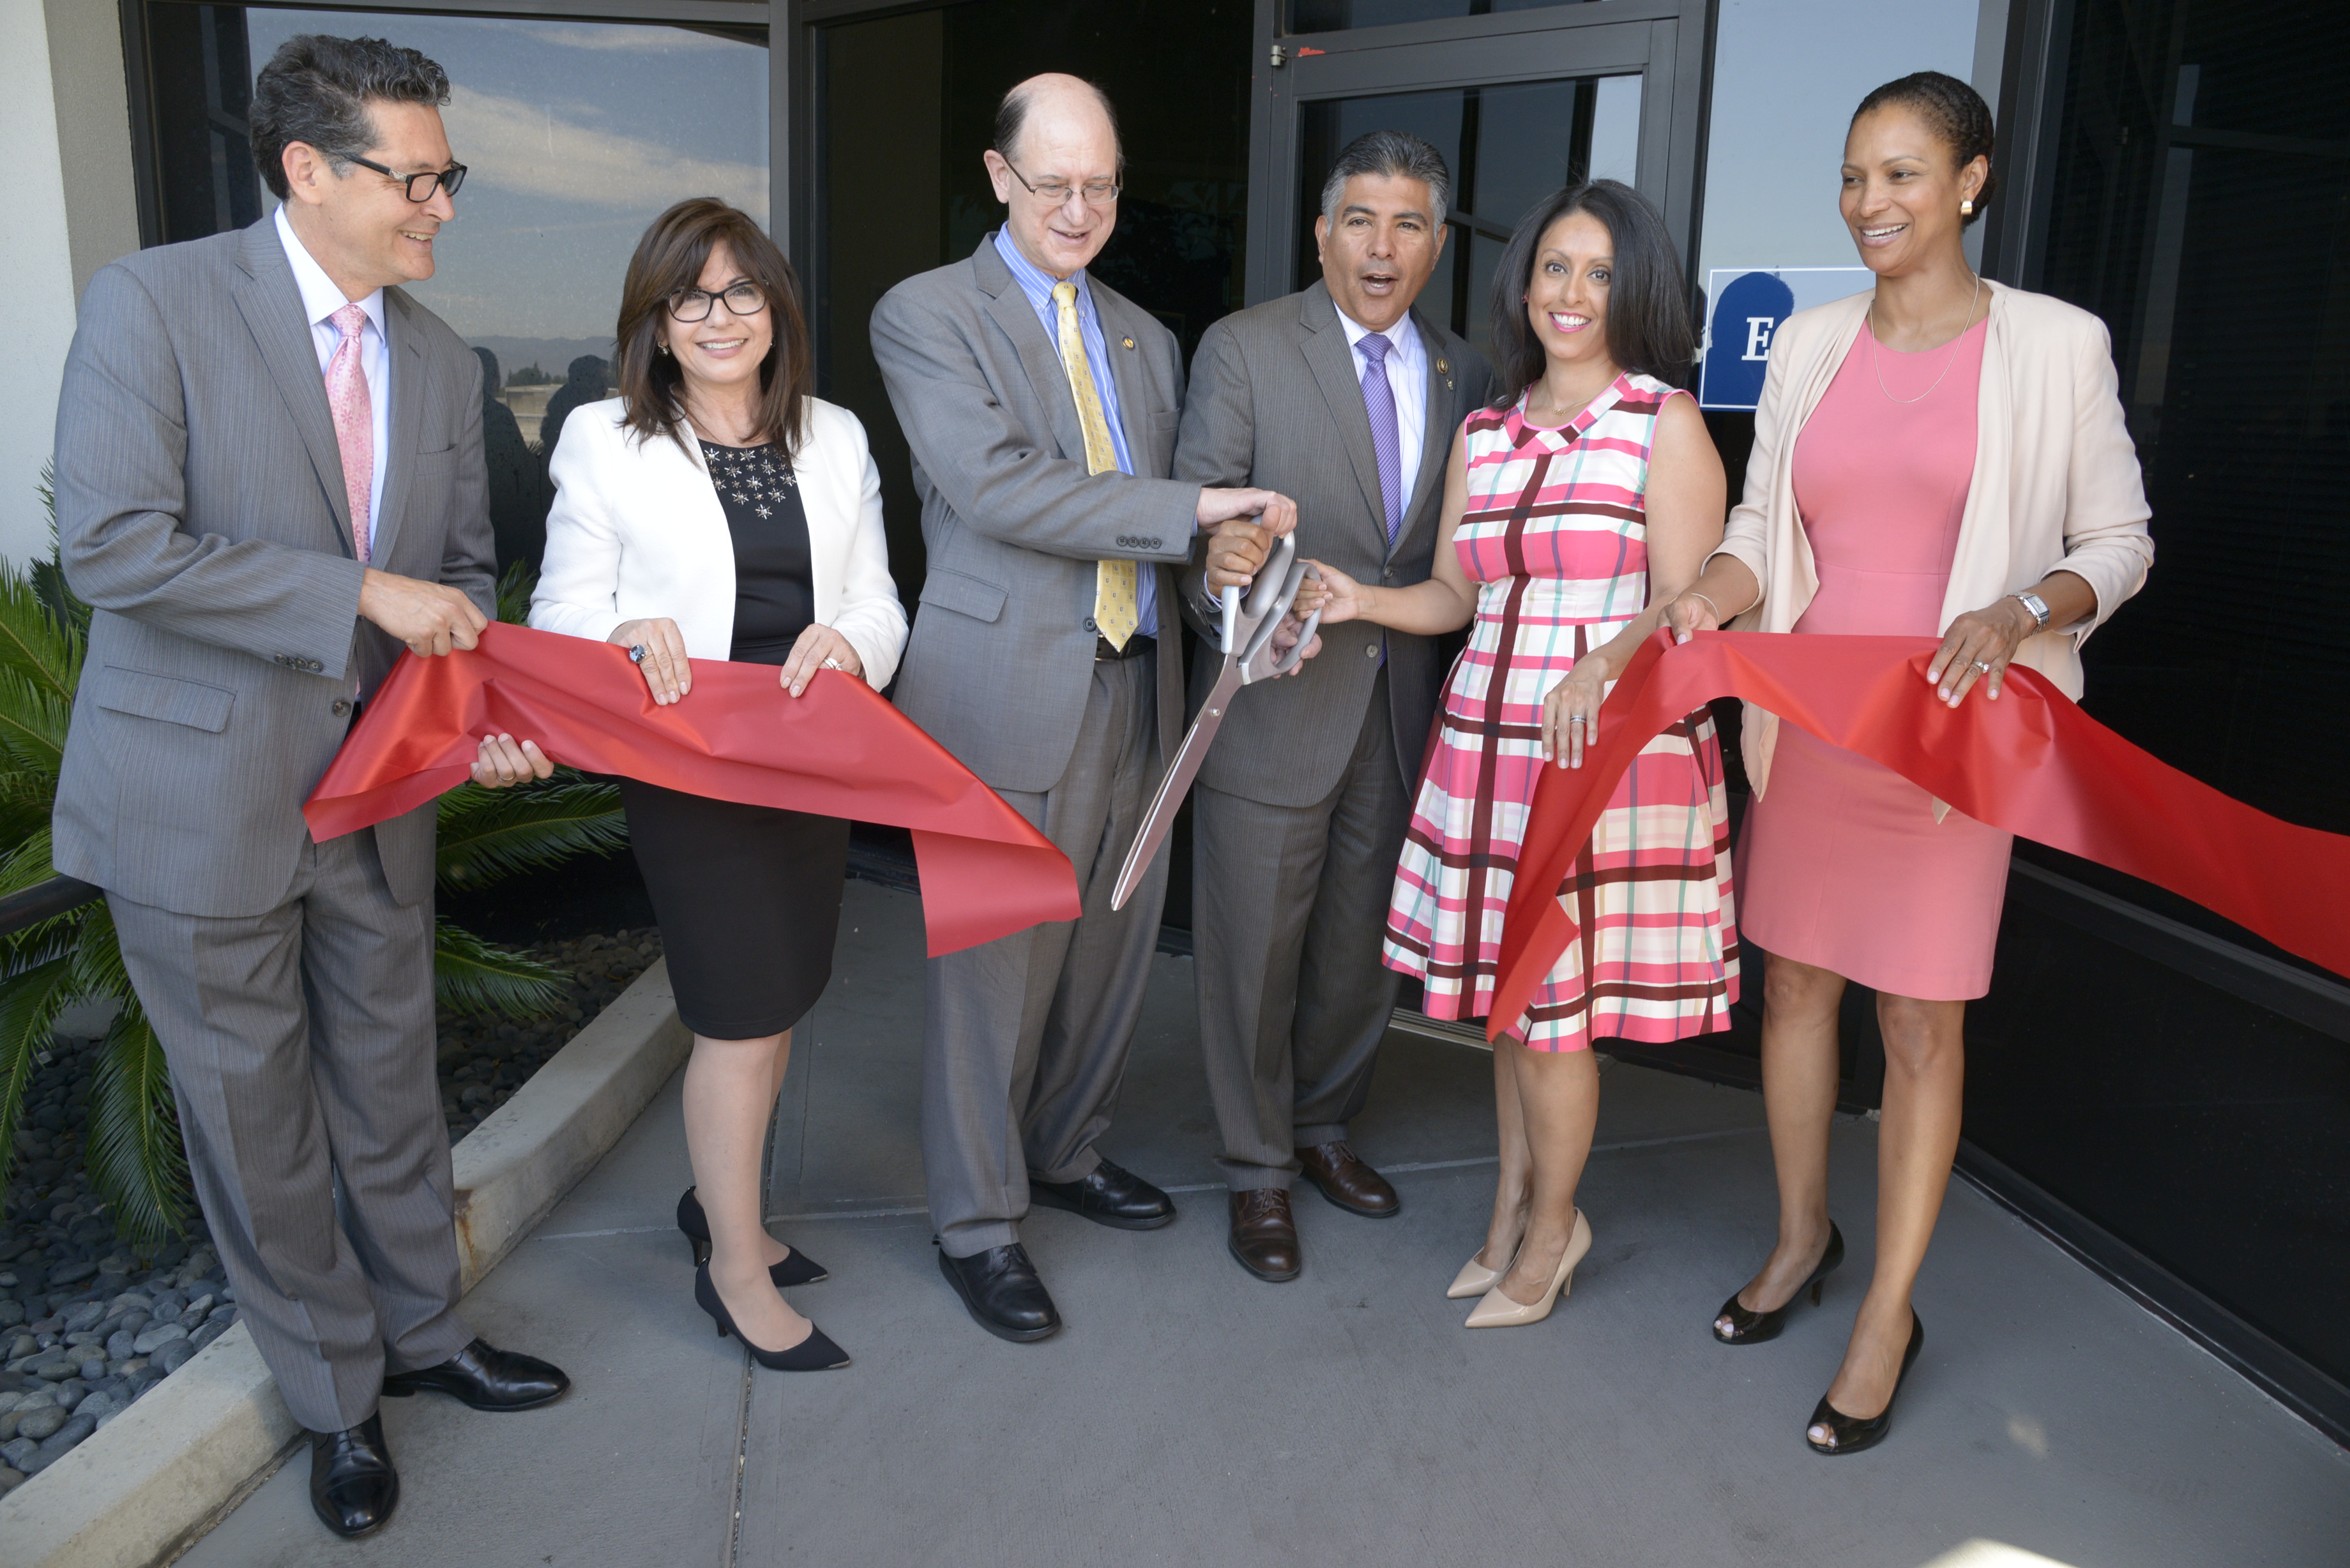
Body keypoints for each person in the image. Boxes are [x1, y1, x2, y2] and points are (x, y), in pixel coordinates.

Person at [49, 34, 569, 1541]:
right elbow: (117, 546)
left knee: (392, 1087)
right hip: (197, 805)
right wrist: (363, 591)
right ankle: (338, 1395)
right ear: (306, 170)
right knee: (256, 1122)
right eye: (416, 178)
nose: (441, 209)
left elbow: (464, 575)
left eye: (444, 176)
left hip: (378, 793)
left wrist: (475, 715)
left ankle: (428, 1330)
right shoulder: (152, 302)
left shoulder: (443, 355)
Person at [1662, 72, 2153, 1454]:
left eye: (1902, 176)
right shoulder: (1808, 343)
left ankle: (1889, 1308)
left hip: (1950, 741)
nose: (1869, 202)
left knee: (1919, 1020)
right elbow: (1763, 530)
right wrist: (1712, 595)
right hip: (1817, 727)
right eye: (1853, 176)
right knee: (1797, 985)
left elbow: (2120, 540)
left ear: (1971, 182)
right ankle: (1801, 1237)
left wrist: (2020, 610)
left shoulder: (2057, 345)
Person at [870, 73, 1298, 1342]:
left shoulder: (1145, 339)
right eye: (1051, 181)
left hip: (1138, 678)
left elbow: (1171, 521)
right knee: (994, 972)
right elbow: (1002, 488)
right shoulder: (928, 315)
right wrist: (1192, 514)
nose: (1077, 206)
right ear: (998, 177)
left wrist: (1214, 559)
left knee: (1111, 952)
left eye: (1099, 183)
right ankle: (978, 1220)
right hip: (1004, 688)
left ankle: (1066, 1148)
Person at [1304, 180, 1740, 1329]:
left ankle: (1555, 1232)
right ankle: (1506, 1214)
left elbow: (1691, 604)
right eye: (1556, 267)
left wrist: (1603, 661)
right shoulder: (1486, 432)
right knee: (1507, 1008)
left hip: (1600, 753)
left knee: (1551, 1011)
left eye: (1599, 272)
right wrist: (1359, 597)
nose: (1574, 293)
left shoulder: (1664, 421)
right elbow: (1454, 595)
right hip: (1485, 746)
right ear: (1524, 280)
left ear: (1632, 288)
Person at [531, 199, 906, 1374]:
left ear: (775, 308)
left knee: (782, 1000)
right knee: (739, 1019)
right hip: (692, 775)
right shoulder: (605, 437)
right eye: (689, 296)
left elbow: (879, 600)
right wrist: (620, 628)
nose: (717, 316)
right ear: (653, 319)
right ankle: (733, 1269)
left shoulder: (836, 435)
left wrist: (852, 647)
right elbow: (557, 614)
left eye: (741, 291)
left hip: (807, 761)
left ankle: (718, 1203)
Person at [1172, 130, 1494, 1282]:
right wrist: (1227, 564)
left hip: (1401, 706)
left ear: (1438, 244)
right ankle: (1256, 1168)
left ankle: (1323, 1129)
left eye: (1409, 224)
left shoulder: (1467, 373)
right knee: (1253, 953)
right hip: (1277, 700)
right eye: (1361, 220)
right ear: (1323, 232)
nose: (1382, 245)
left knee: (1362, 951)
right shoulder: (1246, 349)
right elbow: (1201, 521)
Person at [473, 345, 549, 572]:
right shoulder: (497, 415)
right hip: (500, 525)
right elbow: (520, 469)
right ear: (493, 378)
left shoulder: (451, 413)